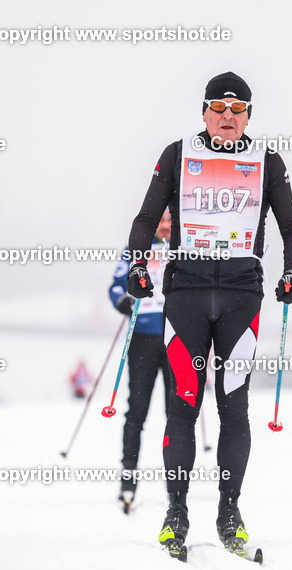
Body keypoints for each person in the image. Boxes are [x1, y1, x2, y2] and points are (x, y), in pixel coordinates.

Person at [127, 71, 292, 558]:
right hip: (185, 289)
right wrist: (136, 264)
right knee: (183, 405)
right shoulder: (177, 152)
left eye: (238, 109)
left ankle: (230, 510)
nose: (228, 116)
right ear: (204, 112)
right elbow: (146, 217)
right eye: (219, 107)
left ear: (249, 115)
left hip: (240, 293)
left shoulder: (266, 160)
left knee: (233, 405)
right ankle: (176, 512)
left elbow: (291, 224)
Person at [109, 209, 171, 511]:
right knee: (137, 411)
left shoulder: (185, 247)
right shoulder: (138, 248)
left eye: (170, 221)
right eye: (161, 221)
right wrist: (122, 300)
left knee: (178, 414)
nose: (165, 226)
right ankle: (128, 479)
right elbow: (116, 285)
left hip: (177, 338)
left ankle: (176, 482)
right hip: (143, 337)